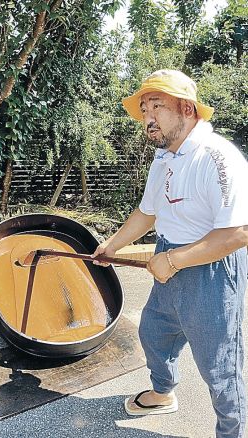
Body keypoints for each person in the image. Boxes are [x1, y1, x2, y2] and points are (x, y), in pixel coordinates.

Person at [92, 69, 248, 438]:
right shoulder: (164, 159)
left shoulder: (218, 157)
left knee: (218, 366)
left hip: (210, 270)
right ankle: (163, 393)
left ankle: (233, 431)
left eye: (157, 106)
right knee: (155, 333)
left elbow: (239, 233)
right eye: (144, 108)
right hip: (167, 258)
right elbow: (148, 212)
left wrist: (173, 260)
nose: (147, 118)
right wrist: (111, 246)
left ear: (187, 109)